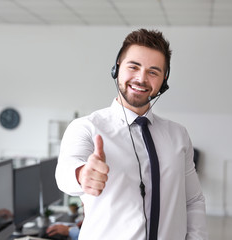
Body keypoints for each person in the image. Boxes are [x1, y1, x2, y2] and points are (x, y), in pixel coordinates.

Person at [56, 29, 207, 239]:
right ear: (117, 68)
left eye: (153, 72)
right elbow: (64, 174)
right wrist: (82, 175)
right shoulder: (86, 127)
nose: (141, 78)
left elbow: (193, 200)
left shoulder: (178, 135)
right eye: (133, 67)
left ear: (164, 80)